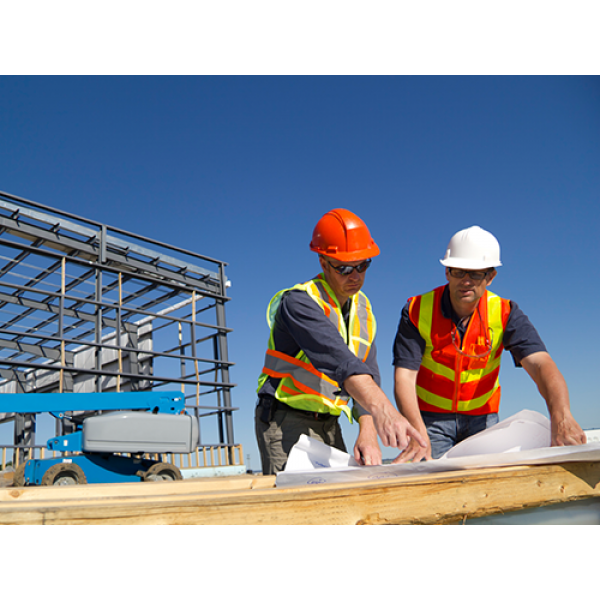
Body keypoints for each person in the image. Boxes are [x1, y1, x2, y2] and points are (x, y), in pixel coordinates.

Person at [393, 225, 586, 461]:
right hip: (429, 420)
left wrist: (561, 416)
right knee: (429, 484)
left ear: (490, 277)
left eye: (475, 274)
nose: (466, 281)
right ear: (447, 272)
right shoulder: (416, 310)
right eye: (458, 271)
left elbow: (540, 364)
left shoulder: (506, 313)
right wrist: (416, 430)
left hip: (483, 419)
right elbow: (404, 376)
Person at [255, 208, 425, 475]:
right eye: (345, 268)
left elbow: (367, 370)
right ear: (323, 263)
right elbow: (342, 362)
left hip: (329, 422)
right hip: (284, 419)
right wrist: (385, 411)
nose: (355, 276)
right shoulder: (299, 303)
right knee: (294, 510)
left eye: (362, 265)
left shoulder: (363, 308)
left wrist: (367, 428)